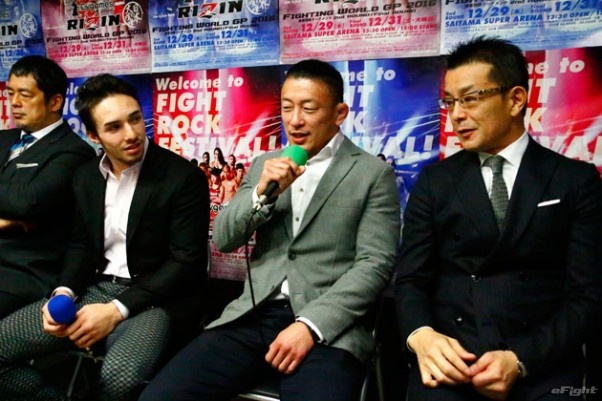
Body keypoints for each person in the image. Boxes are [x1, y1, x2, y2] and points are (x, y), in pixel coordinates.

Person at [140, 59, 400, 401]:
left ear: (339, 113)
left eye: (309, 108)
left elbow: (375, 264)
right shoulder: (265, 164)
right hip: (253, 316)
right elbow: (224, 238)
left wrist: (310, 326)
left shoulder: (372, 174)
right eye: (287, 107)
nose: (295, 120)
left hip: (328, 327)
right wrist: (261, 195)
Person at [395, 36, 602, 401]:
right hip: (452, 360)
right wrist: (422, 336)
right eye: (450, 102)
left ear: (515, 99)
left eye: (470, 98)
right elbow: (411, 279)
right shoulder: (435, 182)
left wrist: (522, 359)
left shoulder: (574, 180)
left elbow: (587, 294)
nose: (457, 114)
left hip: (541, 362)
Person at [0, 74, 209, 401]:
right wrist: (64, 293)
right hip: (96, 290)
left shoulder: (182, 177)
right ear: (93, 135)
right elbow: (80, 245)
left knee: (118, 379)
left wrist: (115, 310)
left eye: (135, 119)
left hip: (156, 299)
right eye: (114, 127)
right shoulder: (86, 176)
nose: (131, 134)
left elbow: (186, 263)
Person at [0, 55, 95, 318]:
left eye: (25, 95)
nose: (14, 103)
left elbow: (28, 201)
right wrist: (7, 219)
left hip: (22, 273)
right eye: (11, 93)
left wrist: (16, 212)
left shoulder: (74, 152)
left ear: (55, 102)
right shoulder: (3, 139)